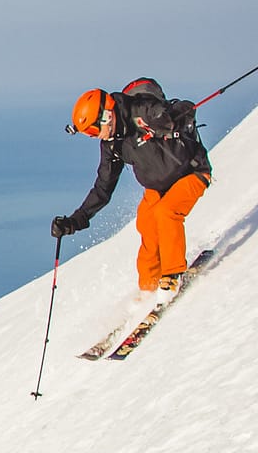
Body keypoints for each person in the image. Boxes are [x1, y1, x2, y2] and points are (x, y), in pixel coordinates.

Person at [51, 78, 212, 292]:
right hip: (157, 188)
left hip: (191, 173)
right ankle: (148, 287)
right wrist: (76, 220)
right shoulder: (112, 145)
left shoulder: (142, 111)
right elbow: (103, 187)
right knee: (146, 223)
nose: (93, 136)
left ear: (106, 116)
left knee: (166, 213)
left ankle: (172, 275)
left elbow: (186, 108)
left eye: (92, 131)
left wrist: (168, 120)